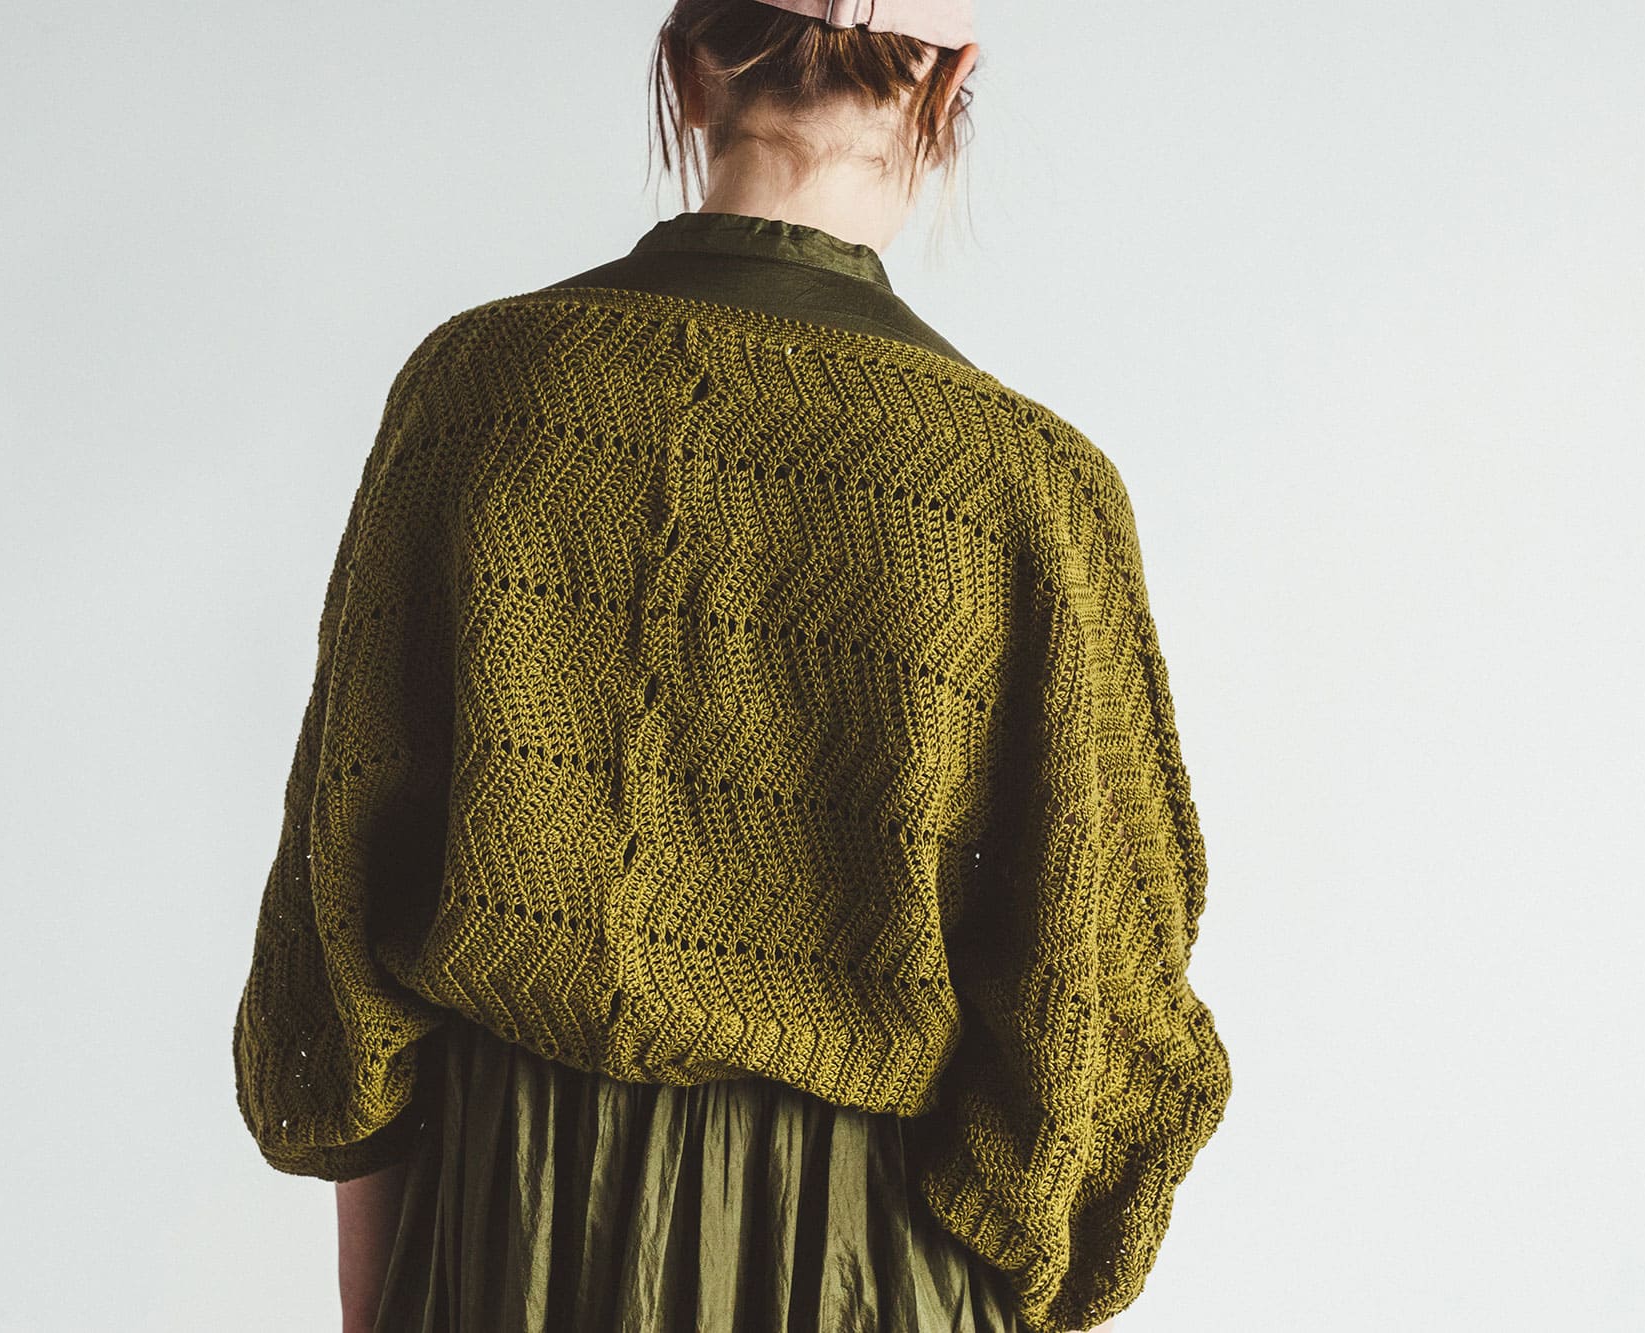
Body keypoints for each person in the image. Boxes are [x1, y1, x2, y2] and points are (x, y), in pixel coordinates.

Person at [230, 2, 1233, 1330]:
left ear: (687, 63)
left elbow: (343, 912)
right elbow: (1099, 996)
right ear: (948, 88)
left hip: (514, 1220)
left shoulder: (477, 389)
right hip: (873, 1257)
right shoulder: (1027, 489)